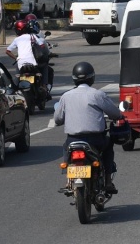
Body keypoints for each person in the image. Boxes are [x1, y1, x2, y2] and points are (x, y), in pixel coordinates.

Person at [53, 61, 124, 193]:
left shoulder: (66, 96)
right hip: (95, 140)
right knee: (108, 146)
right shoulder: (97, 94)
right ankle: (108, 181)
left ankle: (69, 181)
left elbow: (57, 119)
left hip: (73, 140)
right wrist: (119, 117)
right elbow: (114, 113)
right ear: (92, 77)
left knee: (66, 148)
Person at [6, 21, 50, 99]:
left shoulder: (17, 39)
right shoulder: (32, 36)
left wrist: (16, 58)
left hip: (21, 64)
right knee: (42, 69)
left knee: (17, 78)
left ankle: (14, 90)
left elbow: (7, 51)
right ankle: (44, 86)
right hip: (33, 63)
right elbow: (42, 45)